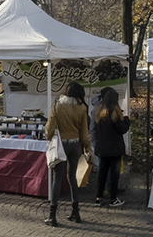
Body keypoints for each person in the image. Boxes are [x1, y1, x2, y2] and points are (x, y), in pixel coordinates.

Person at [44, 82, 91, 227]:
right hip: (76, 145)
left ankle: (52, 216)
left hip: (61, 144)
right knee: (72, 177)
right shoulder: (82, 108)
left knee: (57, 179)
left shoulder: (57, 105)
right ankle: (75, 212)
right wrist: (87, 147)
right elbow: (84, 131)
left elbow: (50, 126)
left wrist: (49, 137)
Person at [92, 88, 130, 207]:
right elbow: (122, 129)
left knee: (102, 173)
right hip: (114, 149)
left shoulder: (98, 112)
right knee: (114, 174)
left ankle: (98, 197)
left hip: (102, 148)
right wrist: (127, 120)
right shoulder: (114, 112)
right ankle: (113, 198)